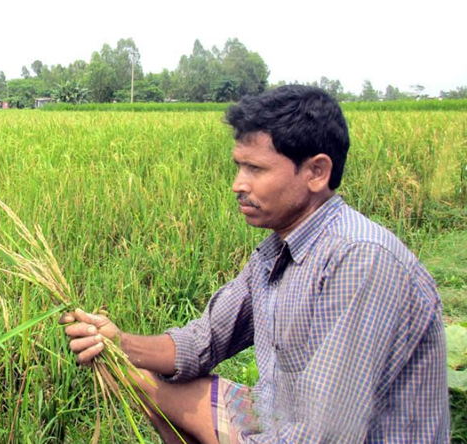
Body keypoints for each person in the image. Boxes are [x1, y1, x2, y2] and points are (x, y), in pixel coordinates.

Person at [61, 85, 450, 443]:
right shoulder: (276, 251)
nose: (238, 184)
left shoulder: (359, 260)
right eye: (238, 166)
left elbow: (325, 436)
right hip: (288, 416)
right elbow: (204, 340)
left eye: (256, 169)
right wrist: (119, 344)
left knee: (152, 389)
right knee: (165, 385)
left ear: (316, 172)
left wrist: (142, 384)